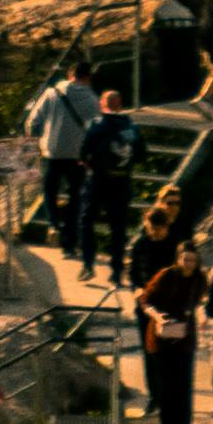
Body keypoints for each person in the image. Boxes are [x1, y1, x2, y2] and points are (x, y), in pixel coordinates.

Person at [26, 51, 100, 238]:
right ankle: (70, 232)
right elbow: (97, 130)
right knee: (76, 194)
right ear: (88, 77)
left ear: (70, 74)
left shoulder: (52, 93)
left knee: (49, 190)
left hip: (51, 152)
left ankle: (54, 225)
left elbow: (33, 121)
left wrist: (34, 143)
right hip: (77, 155)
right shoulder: (93, 100)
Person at [75, 78, 142, 283]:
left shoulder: (95, 126)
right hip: (121, 183)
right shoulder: (132, 127)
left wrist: (89, 165)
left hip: (97, 182)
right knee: (118, 228)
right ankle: (116, 272)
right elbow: (140, 155)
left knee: (87, 222)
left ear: (102, 105)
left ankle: (88, 264)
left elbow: (83, 154)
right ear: (120, 105)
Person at [141, 239, 206, 424]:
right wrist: (158, 316)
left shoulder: (200, 279)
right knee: (167, 387)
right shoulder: (166, 275)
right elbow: (145, 300)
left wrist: (202, 317)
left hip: (185, 338)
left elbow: (200, 302)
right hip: (160, 338)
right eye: (185, 259)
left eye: (193, 260)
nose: (189, 264)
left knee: (184, 388)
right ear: (178, 259)